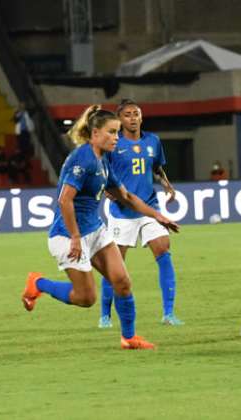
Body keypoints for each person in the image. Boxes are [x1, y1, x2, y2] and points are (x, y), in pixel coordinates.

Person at [21, 105, 179, 349]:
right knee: (86, 298)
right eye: (111, 132)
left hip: (95, 230)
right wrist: (75, 237)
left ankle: (129, 338)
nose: (116, 137)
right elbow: (64, 200)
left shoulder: (104, 160)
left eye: (117, 132)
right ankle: (38, 283)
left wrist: (159, 216)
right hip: (67, 235)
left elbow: (126, 196)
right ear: (95, 134)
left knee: (122, 281)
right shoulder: (82, 160)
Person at [98, 99, 182, 328]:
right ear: (120, 119)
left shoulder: (153, 141)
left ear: (141, 117)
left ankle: (168, 313)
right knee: (114, 266)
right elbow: (101, 171)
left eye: (136, 113)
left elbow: (156, 167)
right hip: (122, 211)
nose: (133, 118)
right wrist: (106, 189)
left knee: (163, 250)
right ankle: (105, 315)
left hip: (149, 208)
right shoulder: (114, 144)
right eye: (127, 114)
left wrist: (167, 185)